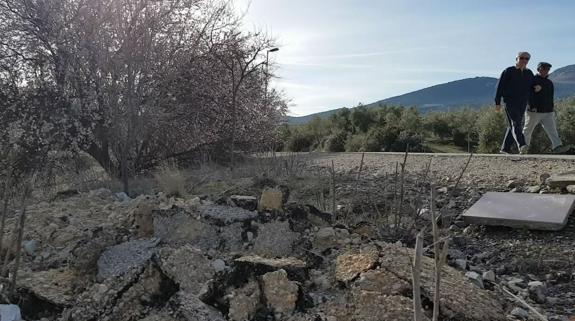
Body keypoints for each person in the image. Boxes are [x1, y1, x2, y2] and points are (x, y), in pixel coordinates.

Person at [523, 62, 570, 153]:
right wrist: (532, 106)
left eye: (548, 69)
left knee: (552, 130)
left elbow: (550, 97)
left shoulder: (549, 83)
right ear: (539, 69)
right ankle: (523, 148)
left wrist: (552, 109)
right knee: (527, 130)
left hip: (548, 112)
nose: (546, 70)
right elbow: (527, 94)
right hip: (533, 111)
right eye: (544, 68)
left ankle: (557, 146)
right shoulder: (532, 80)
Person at [495, 52, 534, 154]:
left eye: (527, 59)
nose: (524, 61)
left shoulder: (529, 73)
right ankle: (522, 144)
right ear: (516, 59)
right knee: (516, 123)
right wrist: (497, 102)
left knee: (512, 125)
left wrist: (537, 88)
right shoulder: (509, 71)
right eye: (522, 58)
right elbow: (500, 87)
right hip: (510, 102)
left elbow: (532, 88)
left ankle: (505, 148)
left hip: (522, 103)